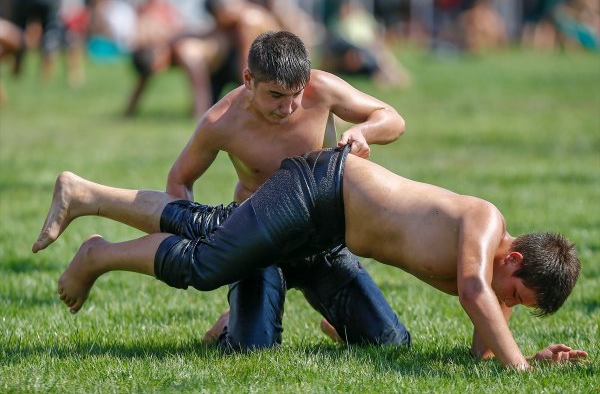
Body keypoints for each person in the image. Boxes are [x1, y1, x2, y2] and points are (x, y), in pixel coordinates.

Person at [32, 145, 586, 369]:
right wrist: (520, 374)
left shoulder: (497, 283)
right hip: (320, 190)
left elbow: (478, 355)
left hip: (328, 238)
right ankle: (97, 244)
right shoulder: (485, 225)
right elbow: (475, 294)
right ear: (513, 259)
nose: (507, 304)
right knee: (208, 253)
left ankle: (91, 201)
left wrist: (527, 360)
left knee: (388, 343)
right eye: (515, 294)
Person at [154, 30, 409, 350]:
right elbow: (179, 179)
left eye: (296, 95)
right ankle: (229, 324)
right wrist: (203, 246)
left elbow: (392, 118)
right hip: (259, 246)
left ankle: (344, 323)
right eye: (276, 95)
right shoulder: (221, 120)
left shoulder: (322, 88)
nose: (288, 107)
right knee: (250, 350)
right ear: (249, 79)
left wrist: (363, 131)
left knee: (391, 344)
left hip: (321, 241)